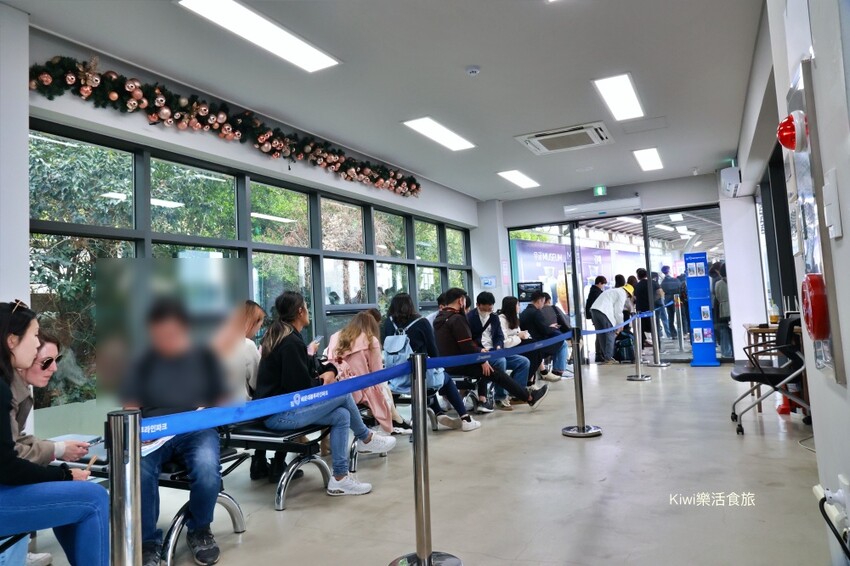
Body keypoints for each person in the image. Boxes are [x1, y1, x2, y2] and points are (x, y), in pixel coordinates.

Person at [256, 292, 396, 499]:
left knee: (341, 415)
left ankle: (339, 478)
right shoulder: (290, 342)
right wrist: (323, 380)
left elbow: (308, 368)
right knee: (344, 393)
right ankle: (365, 437)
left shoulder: (283, 336)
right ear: (300, 311)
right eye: (306, 307)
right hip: (280, 415)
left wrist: (328, 370)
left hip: (279, 410)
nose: (309, 312)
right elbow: (300, 387)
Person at [0, 300, 109, 566]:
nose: (37, 345)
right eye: (34, 336)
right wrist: (64, 472)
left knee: (73, 492)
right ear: (12, 341)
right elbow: (8, 465)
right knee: (94, 499)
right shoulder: (4, 390)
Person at [122, 298, 228, 566]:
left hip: (195, 428)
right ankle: (148, 543)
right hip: (153, 432)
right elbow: (131, 405)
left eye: (171, 333)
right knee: (141, 470)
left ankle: (200, 529)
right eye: (159, 335)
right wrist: (139, 431)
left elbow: (222, 399)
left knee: (206, 467)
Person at [435, 288, 548, 411]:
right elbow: (466, 346)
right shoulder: (458, 319)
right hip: (463, 363)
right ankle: (526, 398)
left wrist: (483, 352)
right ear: (460, 301)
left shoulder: (440, 318)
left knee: (507, 367)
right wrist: (482, 358)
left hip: (450, 363)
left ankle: (525, 397)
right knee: (497, 371)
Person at [385, 293, 480, 431]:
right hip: (418, 377)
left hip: (394, 379)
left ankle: (438, 412)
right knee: (443, 378)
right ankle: (465, 418)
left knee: (429, 378)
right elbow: (433, 351)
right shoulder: (421, 322)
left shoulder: (388, 323)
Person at [10, 330, 89, 466]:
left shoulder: (20, 390)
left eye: (56, 360)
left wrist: (60, 447)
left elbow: (16, 439)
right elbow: (11, 453)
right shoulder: (9, 394)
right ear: (24, 359)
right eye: (46, 362)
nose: (54, 368)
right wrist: (58, 450)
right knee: (91, 488)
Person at [211, 301, 269, 481]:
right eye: (259, 324)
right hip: (237, 412)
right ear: (251, 322)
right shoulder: (247, 345)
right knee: (269, 406)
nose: (258, 329)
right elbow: (259, 382)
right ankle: (263, 461)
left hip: (212, 413)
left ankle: (260, 462)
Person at [325, 312, 411, 434]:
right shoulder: (370, 340)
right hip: (358, 390)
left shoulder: (335, 337)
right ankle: (395, 420)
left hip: (335, 387)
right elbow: (378, 375)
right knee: (383, 387)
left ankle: (395, 419)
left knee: (383, 388)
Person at [467, 292, 530, 412]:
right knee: (501, 361)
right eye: (487, 306)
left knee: (523, 362)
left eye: (491, 305)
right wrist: (481, 352)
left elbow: (499, 336)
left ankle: (516, 394)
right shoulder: (470, 318)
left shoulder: (494, 317)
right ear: (478, 305)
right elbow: (469, 340)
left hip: (494, 351)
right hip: (480, 352)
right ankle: (500, 397)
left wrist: (498, 346)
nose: (490, 308)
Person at [519, 291, 567, 381]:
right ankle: (558, 370)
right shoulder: (536, 313)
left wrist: (548, 327)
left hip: (529, 342)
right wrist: (552, 328)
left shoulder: (524, 312)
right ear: (540, 301)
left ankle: (550, 370)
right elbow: (545, 331)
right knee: (562, 342)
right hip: (538, 344)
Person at [590, 284, 634, 364]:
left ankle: (606, 357)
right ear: (628, 293)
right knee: (610, 334)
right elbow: (618, 311)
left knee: (601, 335)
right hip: (604, 312)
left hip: (594, 310)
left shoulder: (613, 290)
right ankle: (609, 358)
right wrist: (621, 324)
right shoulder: (622, 294)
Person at [541, 293, 572, 378]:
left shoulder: (537, 311)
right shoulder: (554, 308)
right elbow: (566, 321)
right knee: (563, 344)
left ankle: (560, 367)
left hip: (542, 339)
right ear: (549, 300)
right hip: (553, 338)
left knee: (560, 343)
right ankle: (559, 370)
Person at [634, 268, 659, 347]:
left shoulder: (637, 285)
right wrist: (653, 300)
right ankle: (658, 346)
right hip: (651, 309)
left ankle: (641, 348)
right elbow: (661, 293)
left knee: (641, 329)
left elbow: (634, 298)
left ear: (638, 276)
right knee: (654, 328)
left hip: (640, 310)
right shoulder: (653, 283)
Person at [715, 264, 733, 358]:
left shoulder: (718, 283)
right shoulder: (734, 281)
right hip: (734, 308)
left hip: (723, 309)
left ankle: (726, 353)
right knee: (734, 331)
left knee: (724, 331)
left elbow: (717, 297)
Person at [660, 266, 681, 339]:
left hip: (668, 301)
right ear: (669, 271)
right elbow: (680, 288)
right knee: (680, 317)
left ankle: (673, 334)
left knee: (671, 318)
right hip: (677, 300)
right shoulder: (676, 280)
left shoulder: (663, 283)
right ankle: (682, 332)